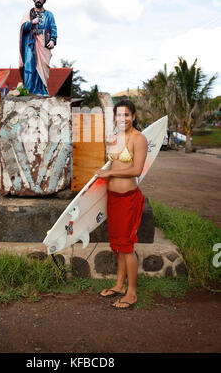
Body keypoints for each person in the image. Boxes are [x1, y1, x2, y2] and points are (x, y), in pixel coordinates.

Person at [96, 99, 147, 310]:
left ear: (133, 117)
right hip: (113, 199)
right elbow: (111, 162)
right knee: (118, 245)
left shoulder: (138, 139)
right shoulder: (114, 138)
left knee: (127, 247)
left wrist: (110, 173)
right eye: (118, 115)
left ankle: (131, 293)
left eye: (126, 115)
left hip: (128, 199)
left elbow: (136, 170)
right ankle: (119, 285)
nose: (122, 119)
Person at [19, 0, 57, 96]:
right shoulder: (28, 13)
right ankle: (30, 91)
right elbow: (22, 28)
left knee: (43, 68)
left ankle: (42, 90)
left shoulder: (49, 15)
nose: (38, 0)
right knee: (29, 65)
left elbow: (53, 28)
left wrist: (53, 40)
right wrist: (31, 22)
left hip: (43, 45)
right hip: (30, 45)